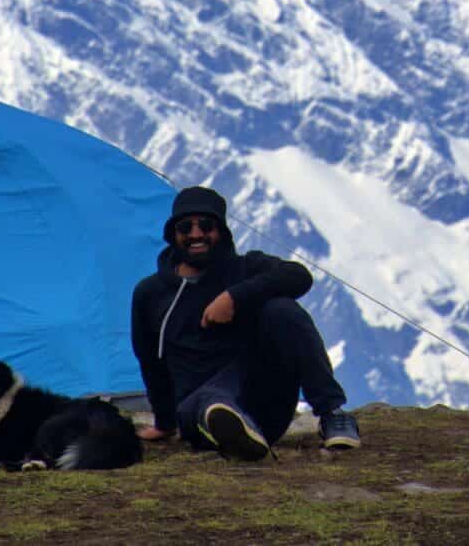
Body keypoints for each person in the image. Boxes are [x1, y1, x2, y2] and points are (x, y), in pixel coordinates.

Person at [131, 186, 361, 460]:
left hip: (261, 399)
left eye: (206, 225)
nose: (196, 234)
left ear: (221, 232)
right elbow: (150, 362)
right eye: (185, 227)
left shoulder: (245, 269)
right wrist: (165, 424)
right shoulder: (150, 293)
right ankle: (235, 433)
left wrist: (233, 297)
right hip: (197, 408)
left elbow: (298, 276)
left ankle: (332, 413)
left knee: (282, 309)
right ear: (173, 235)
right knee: (210, 401)